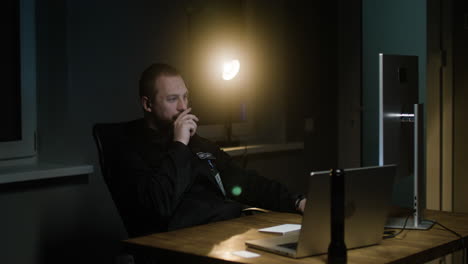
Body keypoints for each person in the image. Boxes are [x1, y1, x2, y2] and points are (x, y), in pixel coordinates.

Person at [112, 63, 306, 238]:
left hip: (232, 230)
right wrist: (179, 144)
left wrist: (296, 201)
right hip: (188, 242)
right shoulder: (129, 149)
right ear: (147, 104)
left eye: (185, 97)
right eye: (172, 99)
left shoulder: (200, 145)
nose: (183, 107)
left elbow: (244, 182)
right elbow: (158, 206)